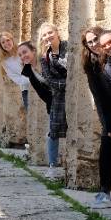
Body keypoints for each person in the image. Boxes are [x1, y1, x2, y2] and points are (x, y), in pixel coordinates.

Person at [86, 27, 111, 208]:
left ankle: (108, 189)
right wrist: (108, 125)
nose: (94, 44)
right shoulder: (92, 65)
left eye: (95, 39)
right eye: (89, 42)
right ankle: (104, 190)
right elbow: (99, 98)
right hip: (110, 114)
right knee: (107, 148)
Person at [35, 22, 68, 167]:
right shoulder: (44, 57)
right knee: (53, 132)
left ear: (56, 32)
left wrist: (69, 84)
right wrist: (67, 84)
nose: (47, 36)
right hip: (58, 97)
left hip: (75, 95)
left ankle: (70, 161)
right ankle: (53, 164)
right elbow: (49, 80)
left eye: (50, 32)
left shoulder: (68, 47)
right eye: (44, 35)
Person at [0, 31, 29, 110]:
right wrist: (31, 79)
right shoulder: (4, 62)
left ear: (12, 40)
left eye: (8, 40)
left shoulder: (22, 48)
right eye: (3, 42)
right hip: (26, 89)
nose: (6, 44)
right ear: (1, 46)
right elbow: (16, 78)